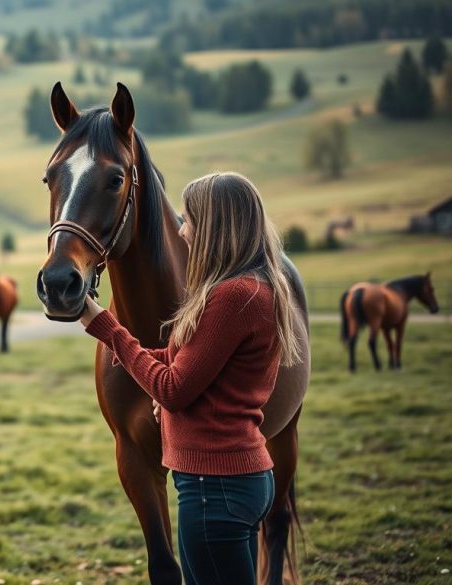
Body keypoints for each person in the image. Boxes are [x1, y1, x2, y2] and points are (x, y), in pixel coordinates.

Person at [78, 172, 302, 585]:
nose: (181, 231)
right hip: (233, 480)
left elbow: (174, 389)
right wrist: (136, 354)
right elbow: (193, 363)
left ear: (216, 227)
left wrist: (106, 328)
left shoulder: (232, 298)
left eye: (189, 219)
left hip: (215, 488)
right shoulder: (253, 288)